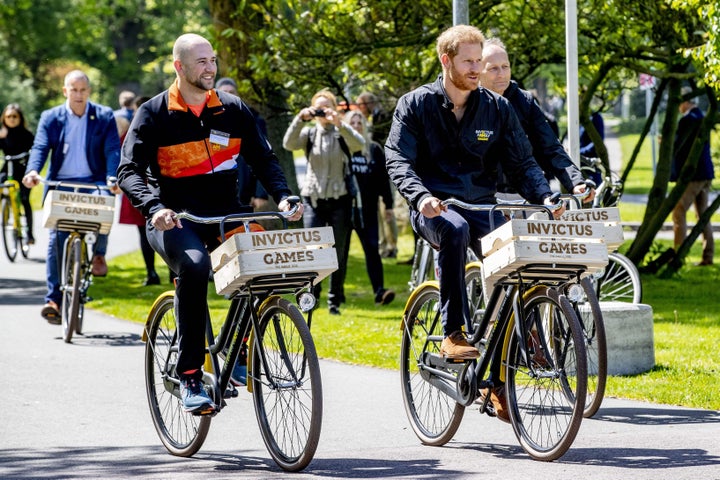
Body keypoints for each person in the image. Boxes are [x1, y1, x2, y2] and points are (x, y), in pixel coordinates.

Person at [385, 25, 564, 421]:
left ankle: (497, 380)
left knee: (514, 264)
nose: (476, 68)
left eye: (478, 61)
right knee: (454, 228)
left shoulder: (496, 108)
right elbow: (397, 158)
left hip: (482, 205)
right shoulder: (415, 104)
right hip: (433, 206)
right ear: (445, 61)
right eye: (468, 61)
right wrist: (421, 196)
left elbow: (522, 162)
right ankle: (452, 334)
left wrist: (546, 196)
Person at [117, 33, 302, 415]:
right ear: (179, 66)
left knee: (266, 261)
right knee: (196, 266)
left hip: (225, 216)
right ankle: (189, 375)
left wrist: (283, 195)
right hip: (173, 219)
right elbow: (128, 171)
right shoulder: (153, 113)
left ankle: (235, 349)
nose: (210, 68)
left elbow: (264, 159)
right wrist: (153, 208)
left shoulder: (233, 108)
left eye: (213, 60)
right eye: (201, 61)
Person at [23, 70, 121, 324]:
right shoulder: (51, 117)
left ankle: (99, 253)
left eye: (83, 89)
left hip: (94, 180)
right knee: (57, 239)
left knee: (105, 209)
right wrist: (33, 170)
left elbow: (112, 148)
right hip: (60, 184)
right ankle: (53, 298)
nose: (78, 94)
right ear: (65, 91)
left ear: (89, 91)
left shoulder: (104, 115)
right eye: (73, 89)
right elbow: (41, 146)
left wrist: (113, 176)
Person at [477, 37, 593, 201]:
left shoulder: (525, 101)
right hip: (481, 200)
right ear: (478, 71)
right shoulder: (467, 102)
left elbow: (550, 147)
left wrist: (575, 182)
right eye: (493, 69)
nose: (501, 74)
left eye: (505, 67)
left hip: (525, 196)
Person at [283, 89, 364, 316]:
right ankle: (312, 296)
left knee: (338, 252)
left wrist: (339, 123)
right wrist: (300, 119)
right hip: (313, 199)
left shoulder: (341, 133)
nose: (321, 112)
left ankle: (334, 300)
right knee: (313, 251)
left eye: (325, 107)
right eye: (317, 108)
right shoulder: (309, 134)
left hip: (340, 200)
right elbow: (288, 143)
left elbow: (359, 144)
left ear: (334, 108)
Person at [343, 109, 396, 306]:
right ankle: (336, 296)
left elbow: (384, 180)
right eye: (352, 122)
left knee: (372, 249)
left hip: (368, 209)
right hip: (345, 210)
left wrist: (388, 206)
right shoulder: (341, 147)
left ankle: (379, 292)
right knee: (341, 252)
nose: (356, 126)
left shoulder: (373, 149)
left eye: (359, 122)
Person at [114, 111, 161, 286]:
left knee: (144, 231)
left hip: (142, 188)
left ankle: (152, 272)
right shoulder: (159, 128)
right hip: (142, 187)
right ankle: (160, 273)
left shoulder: (132, 134)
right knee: (147, 230)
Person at [671, 86, 715, 266]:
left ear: (686, 101)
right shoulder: (702, 117)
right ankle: (708, 256)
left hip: (693, 175)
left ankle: (678, 256)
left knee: (678, 212)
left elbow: (681, 149)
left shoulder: (687, 120)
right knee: (702, 215)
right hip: (705, 173)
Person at [214, 77, 271, 212]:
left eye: (232, 91)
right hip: (220, 191)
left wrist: (260, 193)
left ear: (237, 95)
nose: (228, 95)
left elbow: (262, 156)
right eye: (224, 92)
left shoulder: (252, 120)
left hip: (246, 189)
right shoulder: (211, 121)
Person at [356, 91, 399, 258]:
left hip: (385, 170)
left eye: (361, 105)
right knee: (379, 214)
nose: (360, 109)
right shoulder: (372, 119)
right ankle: (383, 246)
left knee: (387, 211)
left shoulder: (382, 117)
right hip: (377, 172)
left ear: (367, 103)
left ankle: (392, 246)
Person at [0, 103, 35, 244]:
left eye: (15, 116)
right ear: (4, 118)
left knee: (25, 200)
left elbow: (34, 150)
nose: (12, 119)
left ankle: (30, 233)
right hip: (7, 167)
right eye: (9, 116)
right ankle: (5, 209)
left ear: (20, 118)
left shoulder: (27, 135)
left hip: (22, 169)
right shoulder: (2, 134)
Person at [579, 111, 605, 186]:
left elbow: (597, 142)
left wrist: (579, 152)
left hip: (591, 164)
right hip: (581, 164)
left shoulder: (595, 118)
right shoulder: (580, 117)